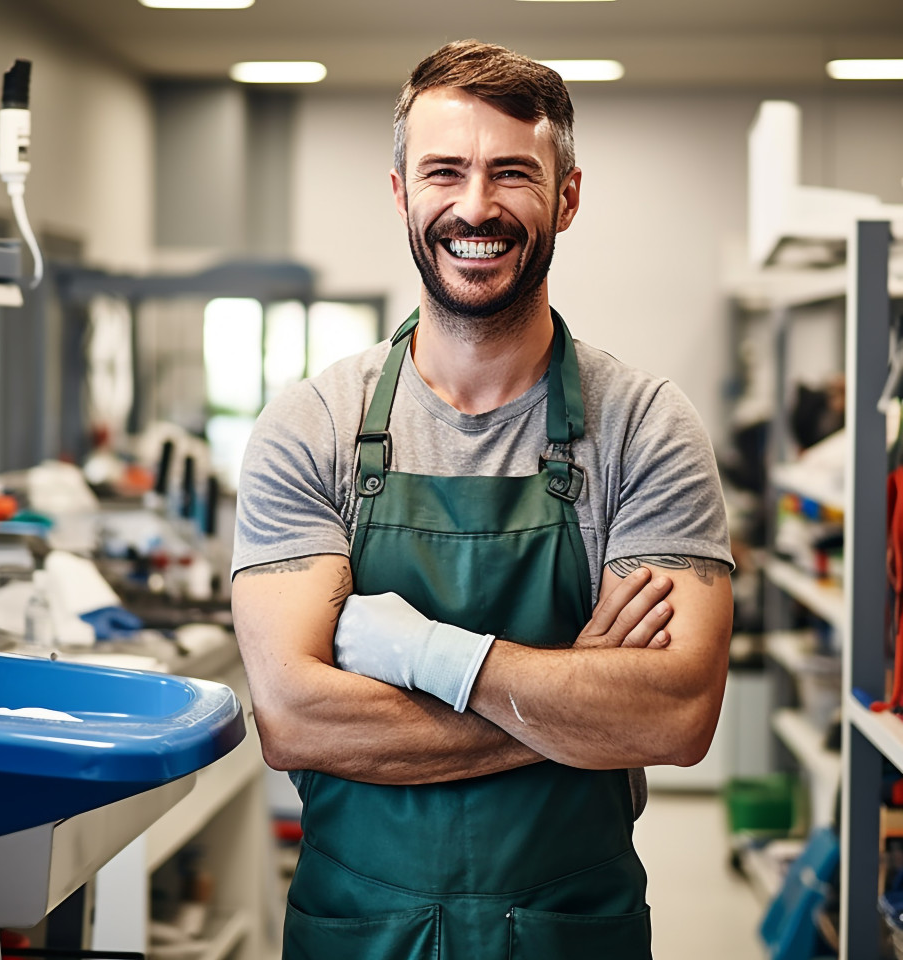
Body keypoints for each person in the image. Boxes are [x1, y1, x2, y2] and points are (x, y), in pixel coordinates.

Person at [231, 38, 733, 960]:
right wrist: (571, 695)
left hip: (569, 930)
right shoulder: (313, 427)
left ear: (567, 197)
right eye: (444, 171)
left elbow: (677, 716)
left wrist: (417, 653)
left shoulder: (647, 428)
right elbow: (294, 719)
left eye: (512, 173)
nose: (475, 206)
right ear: (400, 194)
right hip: (358, 931)